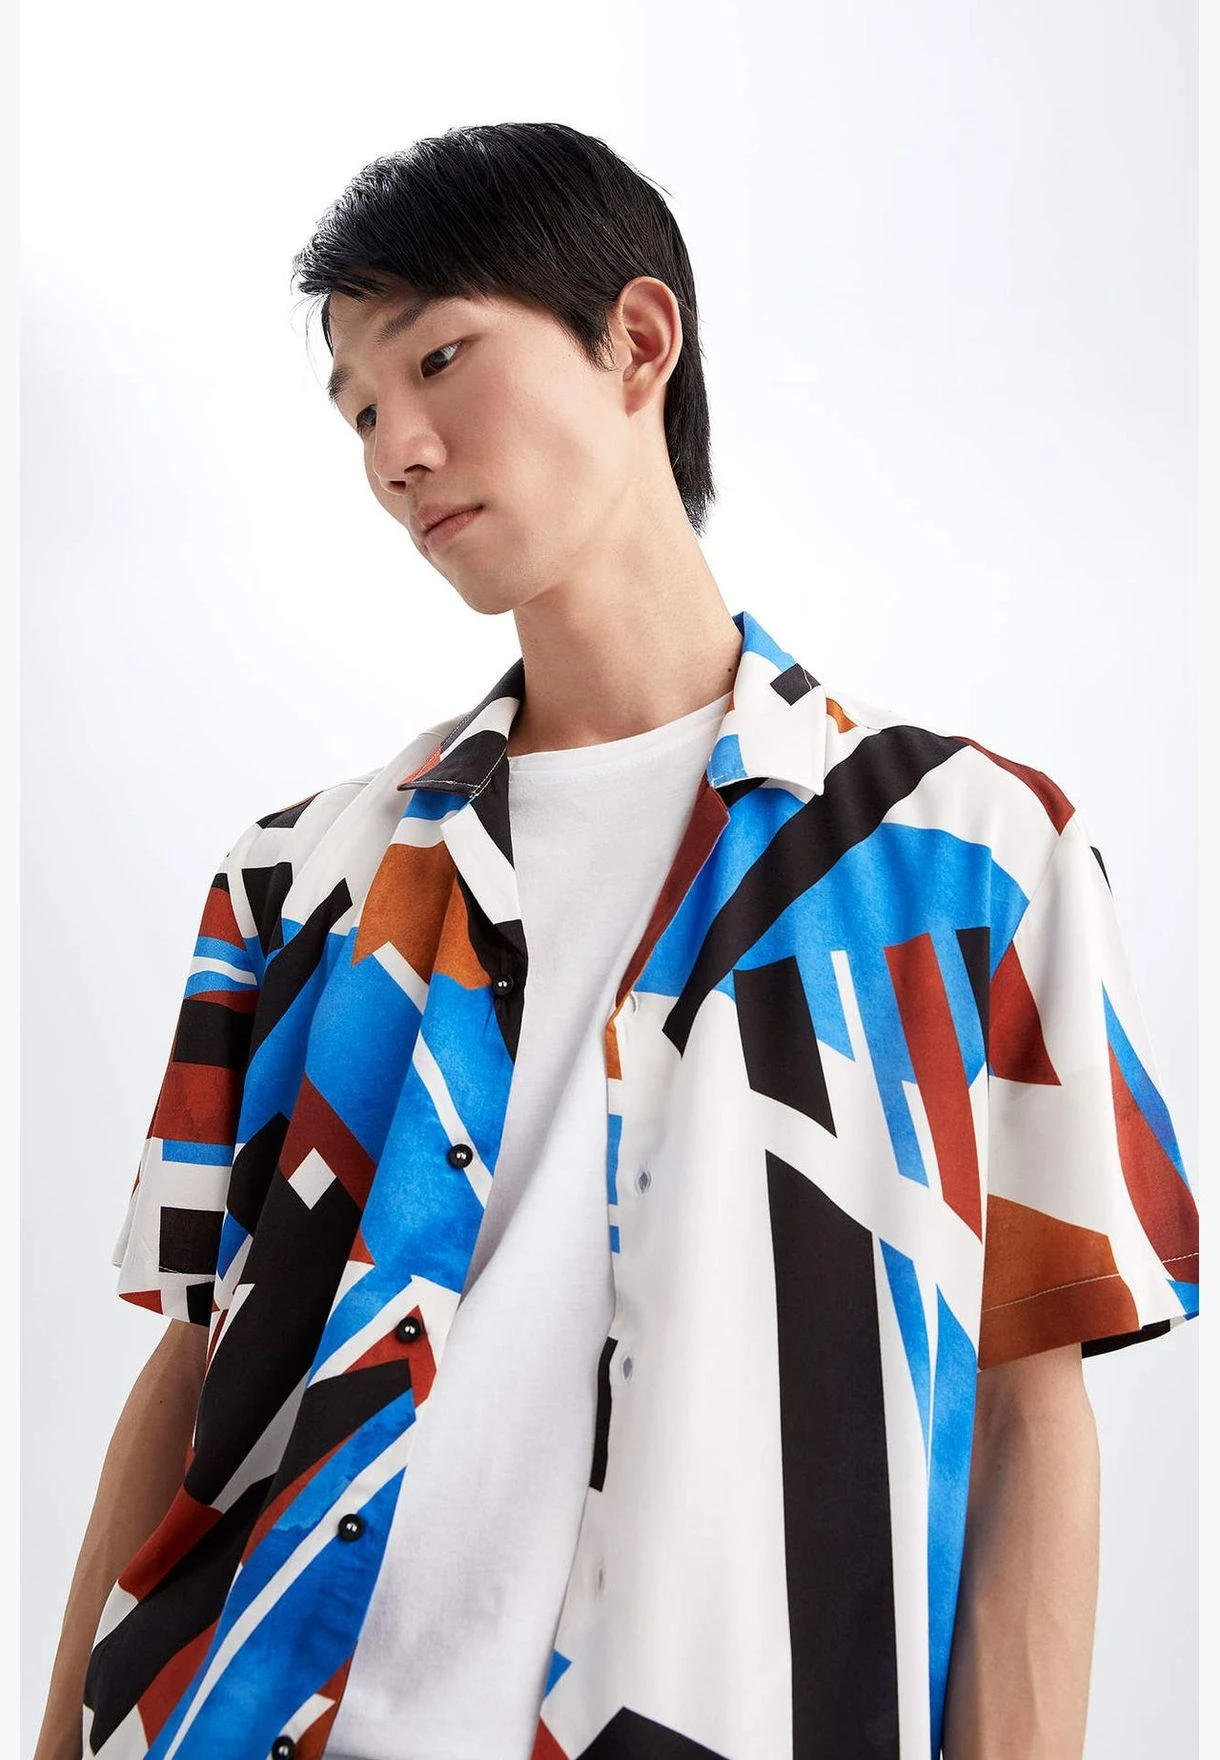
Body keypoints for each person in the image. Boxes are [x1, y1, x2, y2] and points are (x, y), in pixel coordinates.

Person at [37, 121, 1198, 1760]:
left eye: (439, 359)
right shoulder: (296, 883)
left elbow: (1025, 1414)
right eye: (357, 409)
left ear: (638, 340)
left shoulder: (973, 863)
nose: (395, 451)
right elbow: (187, 1376)